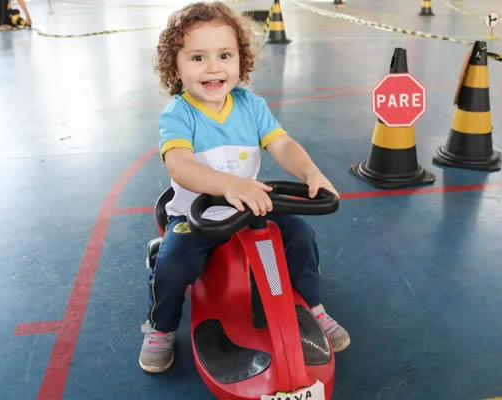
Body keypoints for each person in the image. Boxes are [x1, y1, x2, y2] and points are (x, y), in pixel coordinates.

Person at [140, 1, 350, 373]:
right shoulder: (179, 114)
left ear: (241, 59)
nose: (214, 67)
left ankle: (312, 306)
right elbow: (180, 165)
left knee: (300, 235)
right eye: (198, 58)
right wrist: (228, 184)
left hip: (251, 208)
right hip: (197, 215)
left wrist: (310, 171)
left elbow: (281, 143)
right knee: (173, 264)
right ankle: (161, 327)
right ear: (175, 66)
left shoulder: (250, 105)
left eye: (225, 55)